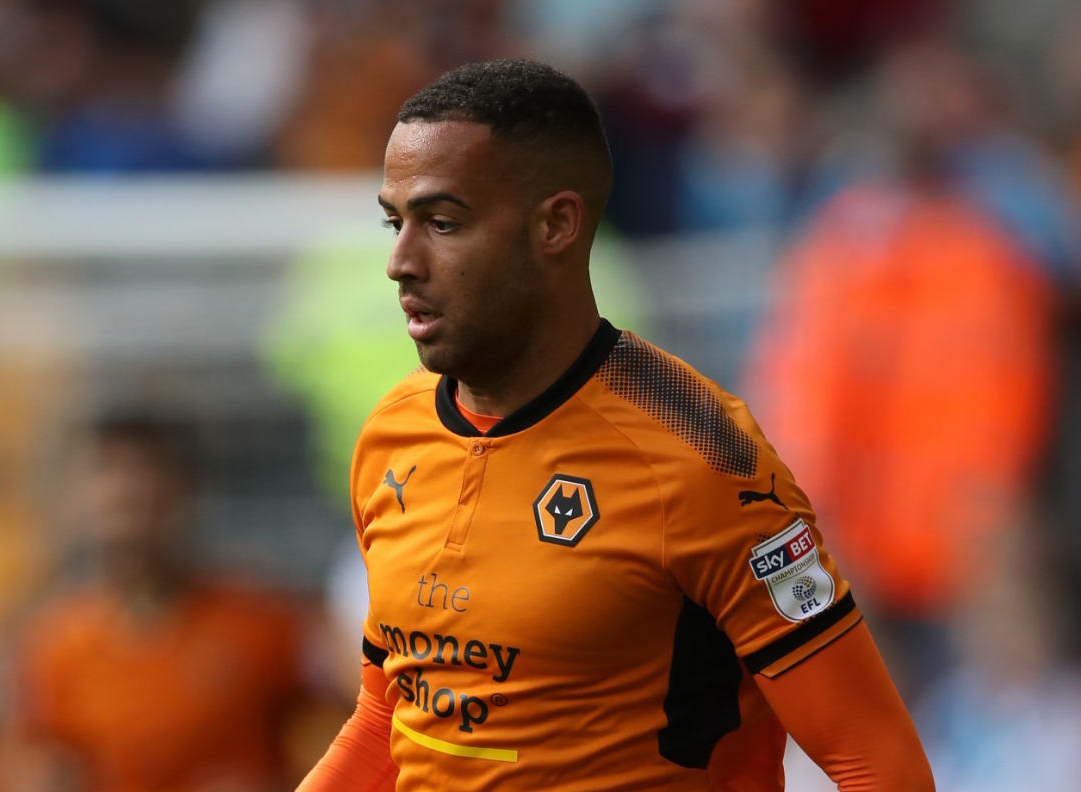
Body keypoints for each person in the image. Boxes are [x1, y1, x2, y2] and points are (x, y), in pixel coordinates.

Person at [297, 59, 933, 790]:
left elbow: (879, 764)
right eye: (395, 222)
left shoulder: (700, 455)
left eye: (443, 223)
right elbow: (387, 718)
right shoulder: (391, 434)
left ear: (556, 225)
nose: (399, 262)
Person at [13, 412, 309, 792]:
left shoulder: (263, 622)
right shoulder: (53, 646)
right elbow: (37, 766)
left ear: (185, 493)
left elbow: (341, 740)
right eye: (109, 474)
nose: (129, 495)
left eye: (146, 474)